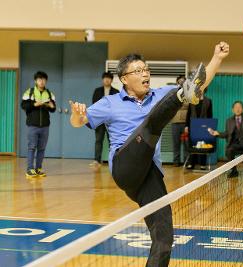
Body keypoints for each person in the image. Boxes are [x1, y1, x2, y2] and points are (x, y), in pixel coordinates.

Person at [69, 42, 229, 266]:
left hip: (149, 173)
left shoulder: (160, 94)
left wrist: (217, 59)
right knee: (152, 122)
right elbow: (78, 122)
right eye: (138, 71)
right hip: (125, 165)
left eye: (146, 70)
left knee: (164, 235)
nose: (145, 74)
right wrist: (77, 114)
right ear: (124, 78)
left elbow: (198, 86)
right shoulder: (110, 102)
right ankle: (183, 94)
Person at [209, 101, 243, 178]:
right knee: (228, 151)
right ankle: (234, 171)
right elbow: (226, 133)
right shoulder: (229, 121)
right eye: (236, 107)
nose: (238, 109)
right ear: (233, 110)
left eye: (239, 107)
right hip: (235, 144)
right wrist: (217, 133)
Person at [21, 71, 56, 178]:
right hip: (33, 125)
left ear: (46, 81)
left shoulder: (49, 94)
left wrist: (51, 106)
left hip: (45, 126)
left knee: (41, 148)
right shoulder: (30, 92)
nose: (42, 81)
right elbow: (24, 105)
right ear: (36, 81)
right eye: (39, 79)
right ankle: (30, 169)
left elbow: (53, 109)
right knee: (32, 147)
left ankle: (38, 169)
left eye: (44, 79)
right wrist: (34, 104)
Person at [91, 71, 119, 166]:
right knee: (98, 140)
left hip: (111, 121)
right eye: (105, 78)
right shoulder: (97, 91)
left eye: (109, 78)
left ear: (111, 80)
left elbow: (117, 107)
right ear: (102, 79)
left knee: (113, 141)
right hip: (100, 120)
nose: (107, 80)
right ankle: (97, 160)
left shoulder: (116, 92)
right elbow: (94, 105)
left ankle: (114, 160)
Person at [184, 89, 213, 170]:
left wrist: (210, 127)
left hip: (204, 126)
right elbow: (188, 114)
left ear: (204, 90)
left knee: (203, 144)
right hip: (193, 125)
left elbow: (210, 115)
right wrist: (186, 126)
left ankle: (203, 164)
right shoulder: (192, 100)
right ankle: (191, 163)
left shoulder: (208, 101)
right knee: (192, 144)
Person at [170, 75, 189, 167]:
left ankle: (186, 162)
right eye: (180, 81)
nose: (181, 83)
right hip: (175, 123)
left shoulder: (189, 93)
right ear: (177, 83)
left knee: (186, 144)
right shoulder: (173, 93)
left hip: (186, 123)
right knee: (176, 144)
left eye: (183, 81)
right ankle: (176, 162)